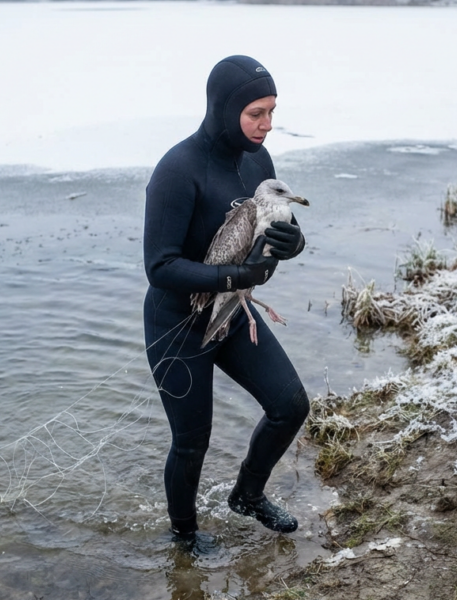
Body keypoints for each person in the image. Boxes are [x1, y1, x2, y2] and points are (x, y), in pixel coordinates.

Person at [142, 55, 310, 542]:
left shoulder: (258, 161)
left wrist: (293, 243)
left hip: (231, 314)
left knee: (290, 405)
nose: (267, 125)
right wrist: (238, 273)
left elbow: (277, 229)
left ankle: (247, 495)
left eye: (272, 111)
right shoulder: (178, 170)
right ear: (224, 108)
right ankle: (184, 537)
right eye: (256, 113)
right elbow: (160, 266)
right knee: (192, 442)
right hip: (177, 323)